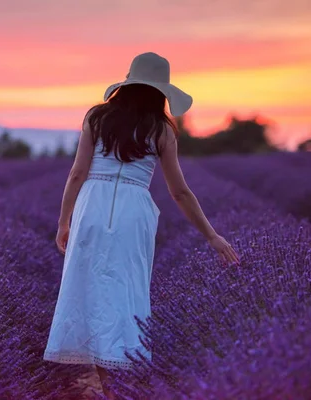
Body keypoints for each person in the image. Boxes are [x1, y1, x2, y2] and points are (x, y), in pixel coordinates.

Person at [42, 52, 240, 399]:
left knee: (88, 288)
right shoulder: (162, 129)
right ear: (161, 91)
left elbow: (77, 173)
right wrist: (212, 235)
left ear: (128, 83)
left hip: (91, 207)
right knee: (126, 289)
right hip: (134, 211)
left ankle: (108, 384)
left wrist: (64, 221)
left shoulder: (97, 117)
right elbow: (179, 191)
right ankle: (121, 384)